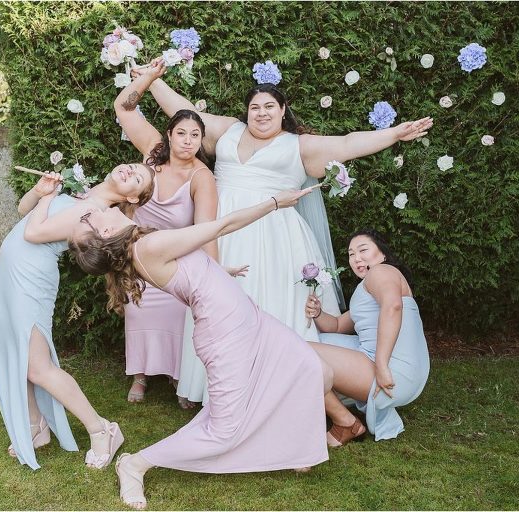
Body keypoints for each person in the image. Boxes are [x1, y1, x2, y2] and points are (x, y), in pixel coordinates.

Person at [134, 59, 432, 403]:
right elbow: (183, 110)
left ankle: (279, 392)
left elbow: (349, 144)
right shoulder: (228, 130)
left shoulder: (298, 145)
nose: (261, 113)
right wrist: (152, 80)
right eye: (254, 107)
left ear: (282, 110)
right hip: (223, 233)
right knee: (216, 303)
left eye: (269, 107)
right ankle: (216, 389)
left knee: (274, 306)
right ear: (246, 112)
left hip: (277, 239)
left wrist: (395, 133)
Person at [67, 187, 328, 510]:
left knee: (306, 364)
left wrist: (220, 272)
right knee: (222, 431)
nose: (92, 209)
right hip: (224, 333)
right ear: (106, 231)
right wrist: (276, 203)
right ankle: (135, 464)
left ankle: (295, 448)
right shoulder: (149, 245)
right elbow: (222, 226)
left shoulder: (140, 245)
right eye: (87, 218)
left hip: (247, 318)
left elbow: (189, 270)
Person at [0, 162, 154, 470]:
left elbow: (34, 233)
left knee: (37, 367)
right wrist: (40, 192)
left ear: (132, 199)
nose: (129, 171)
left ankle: (101, 428)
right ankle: (36, 426)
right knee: (19, 355)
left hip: (29, 277)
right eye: (132, 167)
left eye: (137, 179)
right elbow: (24, 211)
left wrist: (49, 198)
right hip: (9, 273)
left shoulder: (93, 211)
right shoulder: (84, 195)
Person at [115, 60, 240, 408]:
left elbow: (205, 231)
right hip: (138, 252)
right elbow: (123, 107)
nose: (187, 140)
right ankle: (139, 373)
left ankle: (177, 374)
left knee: (176, 311)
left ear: (201, 141)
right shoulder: (153, 153)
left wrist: (214, 275)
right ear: (169, 135)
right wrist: (149, 77)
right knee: (138, 308)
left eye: (195, 135)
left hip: (175, 258)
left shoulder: (202, 177)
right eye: (181, 133)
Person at [305, 229, 430, 444]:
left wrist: (381, 366)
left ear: (382, 254)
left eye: (363, 250)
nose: (356, 258)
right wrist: (317, 313)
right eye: (351, 254)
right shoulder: (368, 287)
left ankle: (345, 422)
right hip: (391, 366)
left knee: (298, 353)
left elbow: (393, 307)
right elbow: (335, 326)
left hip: (393, 370)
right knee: (312, 343)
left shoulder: (381, 272)